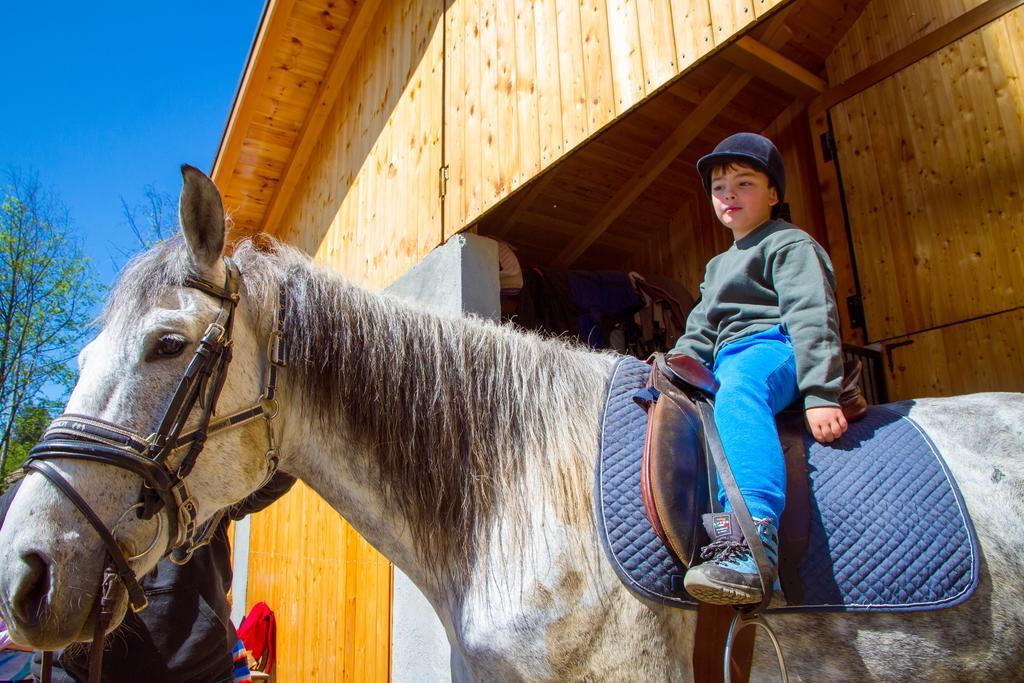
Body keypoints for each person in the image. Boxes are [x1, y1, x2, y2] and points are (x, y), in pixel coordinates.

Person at [673, 132, 848, 605]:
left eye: (744, 183)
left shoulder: (789, 243)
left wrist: (820, 391)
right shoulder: (716, 266)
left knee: (741, 391)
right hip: (725, 358)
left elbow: (812, 313)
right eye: (718, 187)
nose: (728, 194)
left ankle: (753, 541)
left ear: (773, 193)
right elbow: (700, 328)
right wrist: (673, 368)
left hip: (774, 347)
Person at [0, 472, 295, 683]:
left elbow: (275, 474)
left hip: (202, 668)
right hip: (77, 672)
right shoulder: (63, 477)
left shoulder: (203, 480)